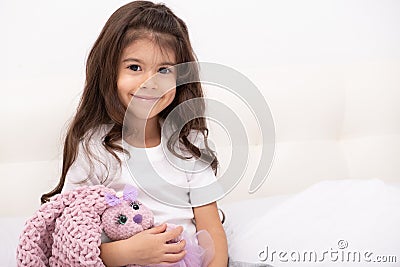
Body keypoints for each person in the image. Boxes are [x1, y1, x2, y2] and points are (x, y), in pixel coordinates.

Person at [41, 1, 228, 266]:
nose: (149, 83)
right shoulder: (94, 148)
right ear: (110, 72)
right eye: (134, 67)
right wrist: (129, 253)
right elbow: (72, 242)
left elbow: (212, 231)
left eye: (164, 70)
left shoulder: (187, 142)